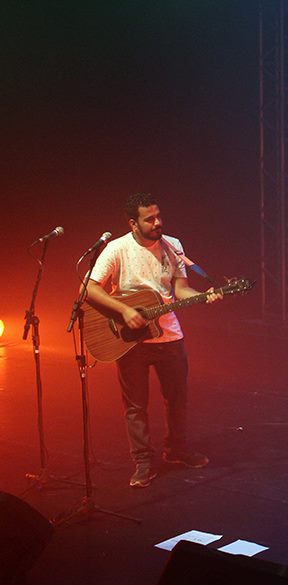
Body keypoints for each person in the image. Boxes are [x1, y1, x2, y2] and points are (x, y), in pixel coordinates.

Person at [86, 193, 221, 488]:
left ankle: (176, 449)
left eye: (159, 216)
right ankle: (143, 462)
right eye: (149, 219)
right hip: (130, 341)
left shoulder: (173, 246)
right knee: (135, 405)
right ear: (133, 223)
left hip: (169, 334)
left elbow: (180, 289)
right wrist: (124, 311)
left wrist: (203, 296)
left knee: (177, 397)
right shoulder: (116, 249)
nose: (158, 222)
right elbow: (90, 289)